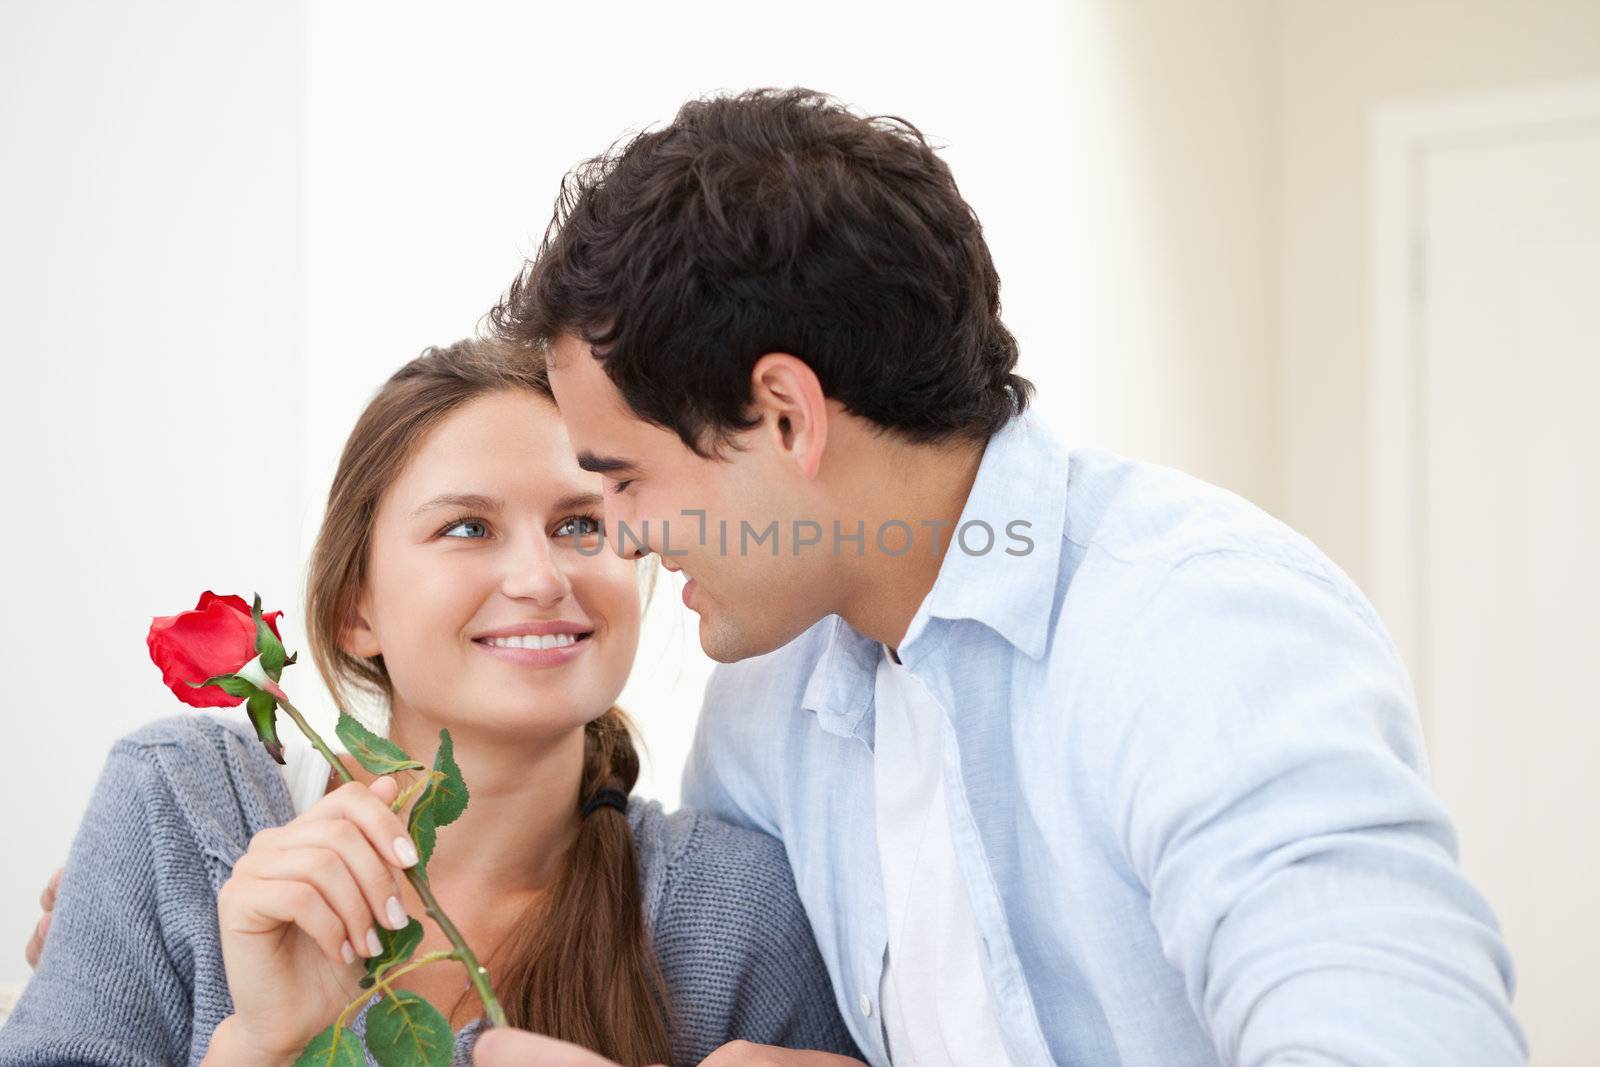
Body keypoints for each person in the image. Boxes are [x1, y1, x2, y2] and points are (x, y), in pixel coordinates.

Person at [472, 88, 1528, 1066]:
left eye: (627, 478)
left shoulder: (1200, 629)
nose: (623, 537)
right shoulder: (763, 712)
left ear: (786, 415)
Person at [2, 340, 860, 1067]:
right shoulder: (182, 813)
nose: (542, 577)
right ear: (354, 611)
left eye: (580, 524)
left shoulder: (735, 909)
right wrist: (257, 1043)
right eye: (467, 528)